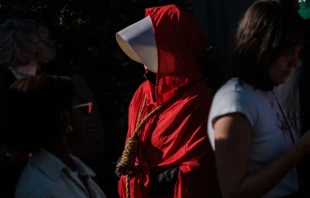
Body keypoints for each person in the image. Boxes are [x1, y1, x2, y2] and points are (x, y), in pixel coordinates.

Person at [115, 4, 220, 198]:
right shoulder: (143, 93)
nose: (143, 56)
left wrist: (165, 178)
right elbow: (133, 144)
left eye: (151, 46)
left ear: (172, 47)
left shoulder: (198, 99)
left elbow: (202, 164)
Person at [207, 0, 307, 197]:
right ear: (264, 46)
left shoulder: (269, 90)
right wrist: (301, 149)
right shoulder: (235, 102)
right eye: (289, 53)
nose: (296, 63)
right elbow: (234, 191)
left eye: (298, 53)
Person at [0, 18, 104, 197]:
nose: (18, 68)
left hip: (70, 181)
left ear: (40, 53)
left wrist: (42, 154)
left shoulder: (67, 84)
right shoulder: (4, 86)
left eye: (24, 62)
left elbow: (94, 141)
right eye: (12, 65)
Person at [0, 75, 107, 198]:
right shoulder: (37, 190)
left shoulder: (77, 171)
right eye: (81, 109)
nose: (86, 116)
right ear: (65, 118)